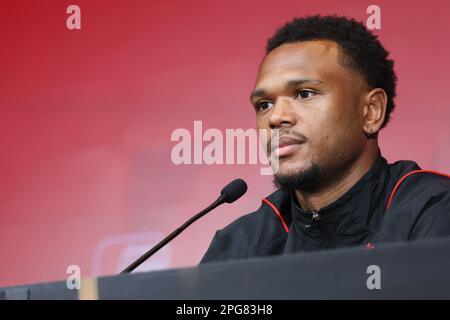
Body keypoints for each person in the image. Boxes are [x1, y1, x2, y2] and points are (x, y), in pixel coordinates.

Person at [200, 15, 450, 263]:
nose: (275, 117)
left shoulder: (433, 212)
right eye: (264, 104)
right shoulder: (238, 247)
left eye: (304, 94)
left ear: (371, 111)